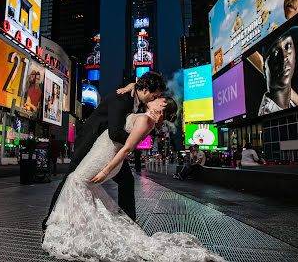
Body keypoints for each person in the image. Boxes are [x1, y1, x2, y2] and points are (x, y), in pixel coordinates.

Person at [42, 98, 225, 261]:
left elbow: (127, 148)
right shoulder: (145, 116)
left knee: (77, 181)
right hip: (103, 149)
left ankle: (80, 231)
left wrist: (106, 171)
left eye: (159, 98)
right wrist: (130, 87)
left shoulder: (146, 120)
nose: (155, 98)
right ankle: (81, 229)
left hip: (107, 155)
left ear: (161, 109)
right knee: (81, 184)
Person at [42, 72, 167, 235]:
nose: (154, 100)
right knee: (70, 179)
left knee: (126, 180)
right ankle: (47, 225)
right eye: (153, 96)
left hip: (107, 147)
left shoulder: (136, 97)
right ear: (144, 90)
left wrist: (132, 84)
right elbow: (115, 133)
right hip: (90, 142)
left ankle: (129, 223)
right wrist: (136, 140)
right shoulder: (121, 100)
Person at [258, 27, 297, 115]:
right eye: (275, 53)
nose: (284, 57)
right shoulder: (268, 117)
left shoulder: (291, 104)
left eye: (287, 46)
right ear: (264, 69)